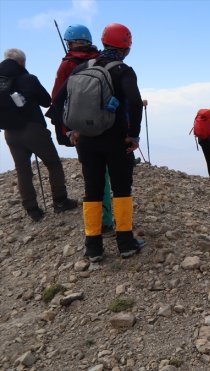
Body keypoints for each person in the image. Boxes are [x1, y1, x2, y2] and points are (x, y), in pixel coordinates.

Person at [53, 23, 144, 261]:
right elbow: (134, 103)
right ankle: (125, 243)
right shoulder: (123, 70)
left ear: (103, 42)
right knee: (121, 189)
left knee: (91, 190)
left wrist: (71, 129)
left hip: (86, 141)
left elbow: (59, 100)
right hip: (116, 139)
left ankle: (93, 247)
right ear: (126, 45)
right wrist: (133, 135)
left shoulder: (81, 68)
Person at [48, 24, 115, 237]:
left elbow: (57, 98)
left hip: (81, 127)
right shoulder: (102, 59)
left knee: (92, 175)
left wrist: (67, 130)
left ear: (72, 43)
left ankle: (97, 225)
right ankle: (108, 216)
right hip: (106, 123)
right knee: (105, 172)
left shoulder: (68, 65)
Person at [0, 48, 78, 222]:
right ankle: (60, 201)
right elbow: (46, 101)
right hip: (33, 129)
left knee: (23, 171)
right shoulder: (28, 79)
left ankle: (32, 210)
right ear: (21, 62)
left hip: (9, 132)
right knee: (53, 164)